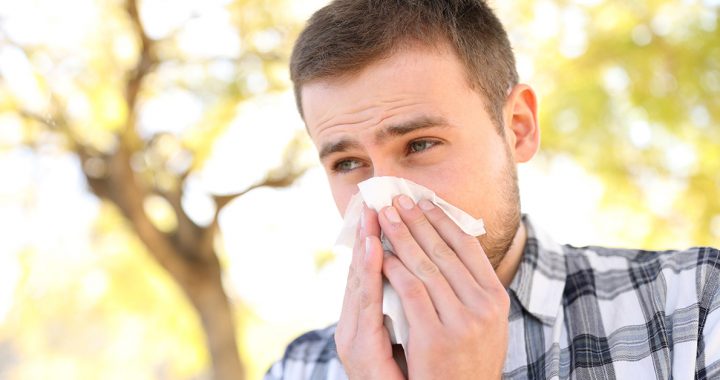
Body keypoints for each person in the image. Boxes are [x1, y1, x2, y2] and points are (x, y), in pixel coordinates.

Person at [265, 0, 720, 379]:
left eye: (420, 144)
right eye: (347, 163)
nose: (387, 207)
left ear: (518, 128)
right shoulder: (299, 368)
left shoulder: (694, 309)